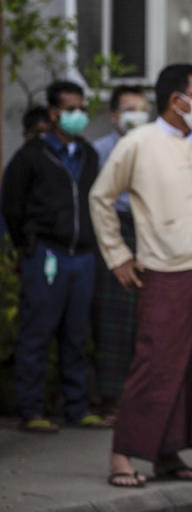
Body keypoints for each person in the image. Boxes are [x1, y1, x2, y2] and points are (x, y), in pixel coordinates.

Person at [90, 63, 192, 487]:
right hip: (163, 268)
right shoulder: (139, 143)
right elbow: (100, 196)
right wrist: (118, 255)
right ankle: (122, 454)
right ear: (178, 100)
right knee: (154, 362)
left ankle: (167, 455)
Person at [1, 81, 109, 434]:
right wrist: (27, 244)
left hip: (82, 255)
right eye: (71, 108)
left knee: (77, 334)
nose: (78, 115)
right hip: (47, 253)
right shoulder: (32, 155)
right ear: (54, 113)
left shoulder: (89, 155)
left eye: (82, 108)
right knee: (38, 331)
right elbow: (12, 203)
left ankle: (76, 406)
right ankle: (32, 409)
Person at [91, 85, 150, 420]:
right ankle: (110, 398)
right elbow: (98, 201)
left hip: (149, 232)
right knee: (113, 318)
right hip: (115, 230)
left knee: (147, 317)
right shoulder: (99, 151)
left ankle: (139, 397)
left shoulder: (154, 147)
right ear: (114, 115)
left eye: (141, 109)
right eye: (129, 109)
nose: (136, 116)